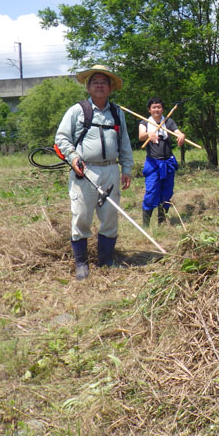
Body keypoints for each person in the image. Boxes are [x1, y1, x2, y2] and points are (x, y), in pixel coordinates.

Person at [55, 65, 134, 280]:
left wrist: (126, 169)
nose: (100, 85)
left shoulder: (117, 113)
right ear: (88, 87)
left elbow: (125, 143)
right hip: (84, 171)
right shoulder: (77, 111)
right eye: (95, 81)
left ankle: (106, 260)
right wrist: (72, 157)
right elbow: (61, 138)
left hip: (111, 169)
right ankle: (81, 264)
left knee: (110, 218)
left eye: (104, 82)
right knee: (81, 215)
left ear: (110, 87)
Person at [138, 97, 185, 227]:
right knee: (152, 192)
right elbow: (141, 136)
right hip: (153, 163)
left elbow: (177, 132)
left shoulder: (168, 121)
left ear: (162, 109)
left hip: (168, 162)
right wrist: (149, 134)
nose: (156, 109)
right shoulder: (145, 122)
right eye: (154, 107)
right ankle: (146, 225)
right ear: (149, 109)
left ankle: (162, 222)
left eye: (159, 107)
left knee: (167, 192)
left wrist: (181, 135)